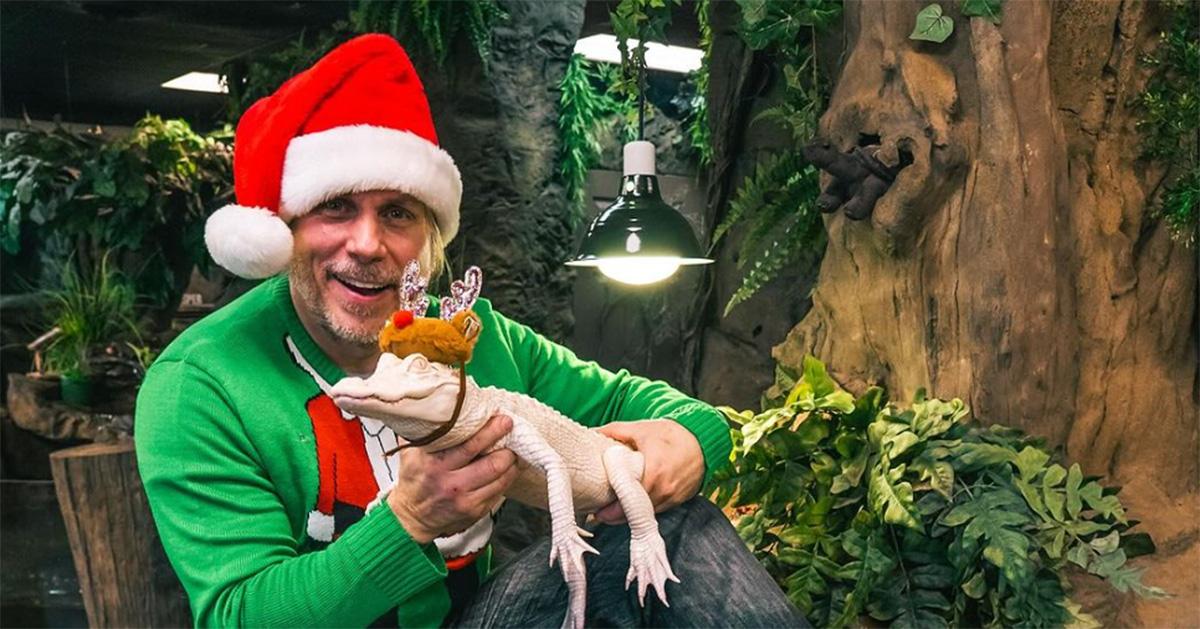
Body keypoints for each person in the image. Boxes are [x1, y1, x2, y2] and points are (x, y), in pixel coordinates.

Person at [135, 34, 807, 628]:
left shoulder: (464, 335)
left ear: (428, 235)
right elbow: (240, 616)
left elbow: (672, 412)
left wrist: (693, 444)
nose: (367, 244)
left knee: (674, 526)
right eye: (335, 206)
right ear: (283, 226)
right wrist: (411, 521)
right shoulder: (200, 382)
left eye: (397, 212)